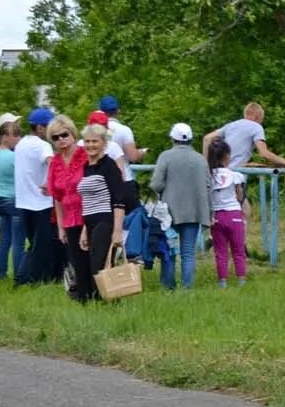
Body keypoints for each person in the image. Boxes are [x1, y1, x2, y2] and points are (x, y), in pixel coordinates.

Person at [148, 122, 209, 290]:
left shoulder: (166, 156)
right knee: (188, 252)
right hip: (194, 212)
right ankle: (187, 288)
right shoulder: (200, 159)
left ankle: (168, 286)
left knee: (169, 251)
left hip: (169, 213)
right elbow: (207, 184)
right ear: (190, 139)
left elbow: (156, 184)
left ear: (172, 138)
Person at [74, 124, 130, 301]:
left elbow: (119, 200)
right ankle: (97, 301)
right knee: (91, 263)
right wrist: (84, 229)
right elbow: (86, 200)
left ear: (103, 143)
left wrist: (117, 231)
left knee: (101, 263)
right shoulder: (86, 167)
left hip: (105, 220)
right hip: (89, 220)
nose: (91, 145)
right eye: (88, 141)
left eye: (95, 141)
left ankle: (108, 301)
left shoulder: (109, 166)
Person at [13, 107, 61, 286]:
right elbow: (52, 162)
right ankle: (22, 278)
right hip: (41, 203)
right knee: (39, 245)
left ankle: (42, 278)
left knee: (34, 241)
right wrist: (51, 182)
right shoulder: (43, 146)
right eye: (49, 126)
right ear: (40, 128)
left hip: (24, 202)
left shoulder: (21, 144)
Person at [45, 113, 88, 298]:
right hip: (70, 218)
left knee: (92, 258)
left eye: (64, 135)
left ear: (72, 134)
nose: (61, 140)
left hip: (89, 215)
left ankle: (98, 295)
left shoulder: (85, 156)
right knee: (76, 259)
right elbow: (57, 196)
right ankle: (82, 297)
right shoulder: (55, 162)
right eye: (56, 137)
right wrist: (61, 227)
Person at [0, 114, 25, 281]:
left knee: (4, 240)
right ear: (5, 137)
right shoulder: (13, 157)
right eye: (15, 136)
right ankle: (19, 274)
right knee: (18, 241)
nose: (18, 139)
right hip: (14, 199)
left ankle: (1, 273)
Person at [207, 139, 248, 287]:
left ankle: (222, 282)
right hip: (234, 214)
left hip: (217, 216)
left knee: (220, 251)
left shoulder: (209, 176)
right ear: (226, 156)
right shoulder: (235, 175)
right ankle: (241, 280)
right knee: (238, 250)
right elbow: (239, 196)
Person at [99, 95, 145, 179]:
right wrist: (142, 152)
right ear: (118, 111)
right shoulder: (124, 130)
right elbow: (133, 157)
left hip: (99, 178)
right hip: (122, 177)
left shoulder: (93, 130)